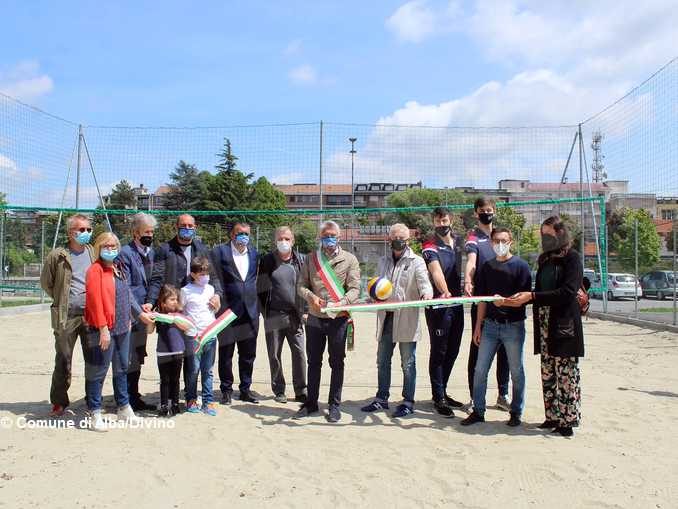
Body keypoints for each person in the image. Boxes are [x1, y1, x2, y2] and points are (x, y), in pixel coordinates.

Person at [503, 216, 585, 438]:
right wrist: (523, 298)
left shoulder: (573, 258)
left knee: (565, 371)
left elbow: (568, 292)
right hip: (545, 321)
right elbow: (539, 292)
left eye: (549, 234)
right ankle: (552, 416)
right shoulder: (545, 259)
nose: (545, 238)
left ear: (560, 233)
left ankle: (567, 421)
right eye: (543, 234)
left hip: (564, 322)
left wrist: (532, 296)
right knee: (548, 370)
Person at [145, 214, 221, 403]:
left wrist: (217, 294)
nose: (187, 228)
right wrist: (151, 301)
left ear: (195, 227)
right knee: (173, 352)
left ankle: (190, 395)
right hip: (172, 310)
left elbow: (214, 277)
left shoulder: (202, 249)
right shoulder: (164, 249)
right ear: (176, 227)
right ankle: (170, 394)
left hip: (195, 312)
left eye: (190, 225)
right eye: (183, 225)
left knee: (193, 354)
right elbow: (157, 278)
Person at [461, 228, 531, 427]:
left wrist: (505, 303)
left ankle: (516, 412)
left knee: (516, 371)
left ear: (511, 242)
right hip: (490, 326)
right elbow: (483, 300)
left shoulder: (521, 266)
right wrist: (477, 327)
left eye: (504, 240)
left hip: (513, 327)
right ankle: (478, 411)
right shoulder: (486, 267)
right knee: (480, 369)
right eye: (497, 240)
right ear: (491, 243)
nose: (500, 244)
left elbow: (524, 300)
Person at [83, 232, 153, 431]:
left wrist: (138, 316)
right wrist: (103, 328)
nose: (111, 249)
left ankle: (124, 407)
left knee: (122, 368)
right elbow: (95, 302)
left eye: (114, 245)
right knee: (99, 370)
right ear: (98, 247)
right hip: (102, 329)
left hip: (123, 327)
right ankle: (94, 412)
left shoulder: (118, 267)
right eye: (106, 245)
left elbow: (128, 296)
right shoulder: (94, 270)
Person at [361, 223, 433, 418]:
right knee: (382, 360)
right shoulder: (383, 261)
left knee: (407, 363)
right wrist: (372, 297)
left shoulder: (416, 261)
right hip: (386, 317)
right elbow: (377, 286)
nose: (398, 241)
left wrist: (427, 294)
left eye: (402, 237)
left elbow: (425, 284)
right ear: (389, 239)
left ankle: (408, 401)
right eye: (394, 237)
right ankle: (381, 398)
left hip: (407, 318)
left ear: (408, 240)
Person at [295, 220, 361, 423]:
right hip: (315, 317)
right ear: (320, 237)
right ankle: (312, 403)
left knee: (337, 363)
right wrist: (311, 298)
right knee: (314, 362)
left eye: (332, 235)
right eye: (325, 236)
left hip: (338, 319)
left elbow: (355, 289)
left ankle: (334, 405)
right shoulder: (311, 259)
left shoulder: (349, 259)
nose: (329, 239)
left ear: (339, 237)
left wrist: (342, 302)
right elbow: (301, 286)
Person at [41, 214, 95, 416]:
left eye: (88, 230)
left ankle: (93, 401)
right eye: (82, 230)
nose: (86, 233)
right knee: (63, 358)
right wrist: (62, 297)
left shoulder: (94, 252)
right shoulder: (58, 255)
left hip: (90, 314)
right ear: (71, 232)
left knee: (93, 359)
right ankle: (59, 401)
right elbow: (47, 283)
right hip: (66, 315)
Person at [463, 197, 510, 411]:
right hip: (482, 302)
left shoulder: (499, 238)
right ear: (476, 213)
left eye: (489, 209)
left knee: (505, 351)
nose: (486, 213)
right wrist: (468, 280)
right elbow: (471, 262)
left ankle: (503, 394)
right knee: (478, 347)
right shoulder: (474, 238)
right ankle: (474, 396)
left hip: (504, 303)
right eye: (482, 210)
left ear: (495, 211)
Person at [257, 226, 308, 404]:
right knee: (274, 354)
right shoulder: (267, 261)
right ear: (275, 241)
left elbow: (307, 287)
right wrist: (265, 313)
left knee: (300, 353)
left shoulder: (301, 260)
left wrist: (305, 311)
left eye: (287, 239)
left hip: (295, 315)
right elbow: (261, 288)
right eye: (280, 239)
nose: (283, 242)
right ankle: (279, 389)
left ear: (293, 241)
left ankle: (301, 390)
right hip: (274, 315)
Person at [422, 207, 465, 417]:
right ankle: (438, 397)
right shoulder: (429, 243)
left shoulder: (459, 242)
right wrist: (445, 291)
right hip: (439, 303)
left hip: (458, 303)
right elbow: (435, 269)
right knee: (439, 350)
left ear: (451, 220)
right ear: (433, 222)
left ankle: (443, 391)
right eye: (438, 221)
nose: (441, 224)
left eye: (444, 220)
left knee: (454, 349)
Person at [212, 222, 260, 405]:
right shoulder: (219, 252)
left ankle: (245, 389)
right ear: (232, 235)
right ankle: (226, 390)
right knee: (226, 353)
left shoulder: (254, 253)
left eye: (246, 233)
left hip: (250, 312)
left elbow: (253, 279)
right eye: (239, 233)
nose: (243, 237)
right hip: (228, 312)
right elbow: (214, 276)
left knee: (248, 354)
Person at [118, 212, 157, 411]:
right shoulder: (124, 253)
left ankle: (134, 396)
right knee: (127, 358)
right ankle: (125, 399)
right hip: (129, 315)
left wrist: (150, 303)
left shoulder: (151, 252)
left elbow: (154, 281)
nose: (150, 235)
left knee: (138, 357)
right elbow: (124, 287)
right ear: (135, 233)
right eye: (146, 231)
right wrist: (137, 309)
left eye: (151, 231)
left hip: (145, 312)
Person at [181, 257, 219, 416]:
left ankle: (208, 400)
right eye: (201, 273)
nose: (205, 276)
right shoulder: (186, 290)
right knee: (193, 370)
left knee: (208, 370)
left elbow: (214, 310)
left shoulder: (210, 289)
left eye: (206, 273)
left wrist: (216, 307)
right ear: (193, 274)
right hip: (193, 337)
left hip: (210, 334)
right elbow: (181, 312)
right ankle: (191, 398)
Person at [153, 284, 191, 417]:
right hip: (163, 351)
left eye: (176, 299)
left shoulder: (179, 314)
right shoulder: (158, 313)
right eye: (172, 299)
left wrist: (174, 318)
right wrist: (151, 318)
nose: (176, 302)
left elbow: (187, 327)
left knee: (175, 379)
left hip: (178, 351)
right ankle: (164, 405)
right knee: (165, 380)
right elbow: (149, 330)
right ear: (163, 302)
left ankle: (174, 404)